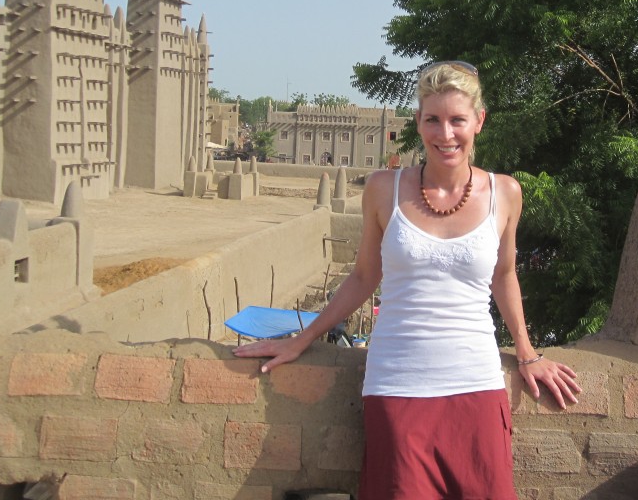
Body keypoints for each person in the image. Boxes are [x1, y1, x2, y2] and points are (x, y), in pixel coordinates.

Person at [234, 61, 581, 498]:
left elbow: (504, 274)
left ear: (479, 121)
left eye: (457, 120)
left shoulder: (504, 193)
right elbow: (363, 277)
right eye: (432, 119)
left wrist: (527, 352)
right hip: (398, 385)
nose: (445, 134)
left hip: (475, 382)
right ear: (417, 122)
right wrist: (303, 339)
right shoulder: (384, 188)